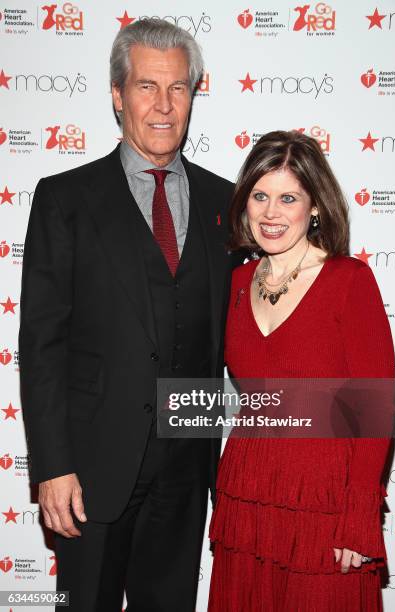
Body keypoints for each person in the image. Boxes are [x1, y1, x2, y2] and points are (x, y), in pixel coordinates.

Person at [18, 19, 236, 612]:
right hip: (91, 468)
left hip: (187, 469)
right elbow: (41, 344)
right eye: (146, 87)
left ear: (194, 93)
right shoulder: (65, 199)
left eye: (178, 88)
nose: (163, 106)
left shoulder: (228, 201)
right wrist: (53, 465)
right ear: (117, 95)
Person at [208, 130, 395, 611]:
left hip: (323, 502)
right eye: (260, 196)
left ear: (314, 207)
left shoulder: (348, 281)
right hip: (247, 495)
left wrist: (358, 517)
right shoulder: (235, 282)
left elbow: (373, 409)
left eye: (288, 197)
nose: (271, 213)